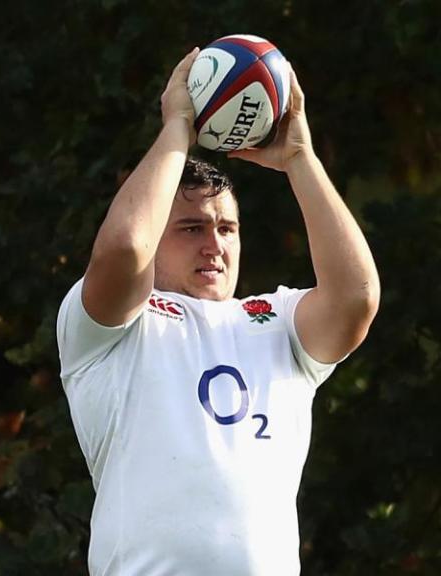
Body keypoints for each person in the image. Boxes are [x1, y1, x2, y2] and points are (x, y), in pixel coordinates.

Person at [56, 48, 380, 575]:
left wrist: (301, 158)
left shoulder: (276, 322)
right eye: (190, 229)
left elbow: (356, 299)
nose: (215, 246)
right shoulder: (113, 327)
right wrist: (177, 127)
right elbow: (123, 249)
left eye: (226, 228)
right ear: (157, 236)